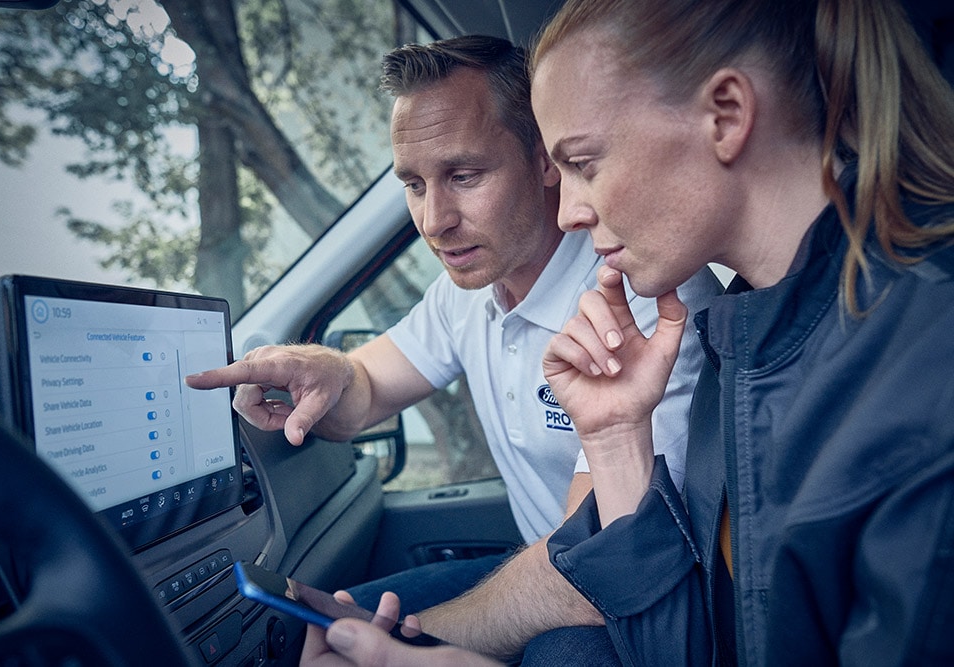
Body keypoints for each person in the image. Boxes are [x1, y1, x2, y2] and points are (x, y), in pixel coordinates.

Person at [301, 0, 954, 664]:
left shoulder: (926, 370)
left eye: (583, 163)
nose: (571, 210)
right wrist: (616, 441)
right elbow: (692, 648)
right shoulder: (746, 337)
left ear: (725, 115)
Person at [186, 33, 719, 649]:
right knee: (299, 629)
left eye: (463, 175)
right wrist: (320, 370)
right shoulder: (468, 290)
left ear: (545, 158)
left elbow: (596, 566)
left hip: (643, 611)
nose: (435, 221)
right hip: (549, 567)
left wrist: (402, 644)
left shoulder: (645, 303)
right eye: (413, 185)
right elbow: (366, 386)